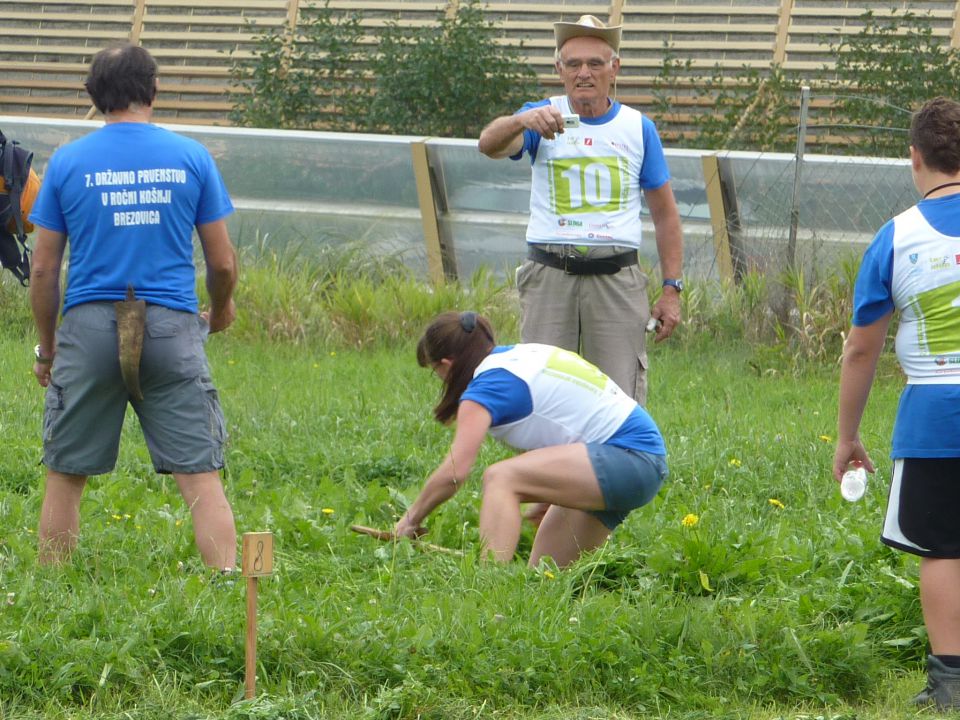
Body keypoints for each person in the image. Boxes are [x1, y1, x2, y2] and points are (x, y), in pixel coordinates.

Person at [28, 43, 239, 570]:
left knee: (66, 472)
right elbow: (223, 263)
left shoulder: (68, 162)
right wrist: (224, 307)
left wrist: (47, 348)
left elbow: (43, 270)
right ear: (155, 89)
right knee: (200, 474)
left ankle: (52, 591)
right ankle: (228, 584)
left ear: (94, 96)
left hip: (89, 327)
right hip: (171, 327)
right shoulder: (192, 157)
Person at [477, 14, 684, 404]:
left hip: (616, 279)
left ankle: (614, 466)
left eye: (595, 63)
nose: (583, 73)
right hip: (550, 275)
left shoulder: (638, 128)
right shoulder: (541, 117)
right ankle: (540, 467)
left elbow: (665, 215)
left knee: (618, 397)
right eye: (573, 64)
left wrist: (671, 289)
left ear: (614, 68)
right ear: (559, 70)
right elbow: (487, 144)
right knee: (542, 391)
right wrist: (522, 120)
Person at [833, 96, 960, 710]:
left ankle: (948, 683)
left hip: (934, 419)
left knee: (941, 547)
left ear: (915, 158)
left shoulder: (895, 237)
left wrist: (846, 436)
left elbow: (861, 352)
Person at [394, 311, 668, 567]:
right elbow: (569, 420)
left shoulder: (487, 386)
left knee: (501, 478)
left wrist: (410, 519)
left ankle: (487, 587)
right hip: (643, 465)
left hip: (628, 456)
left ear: (446, 364)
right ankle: (504, 609)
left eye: (435, 372)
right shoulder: (521, 358)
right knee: (542, 576)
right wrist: (549, 492)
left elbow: (454, 472)